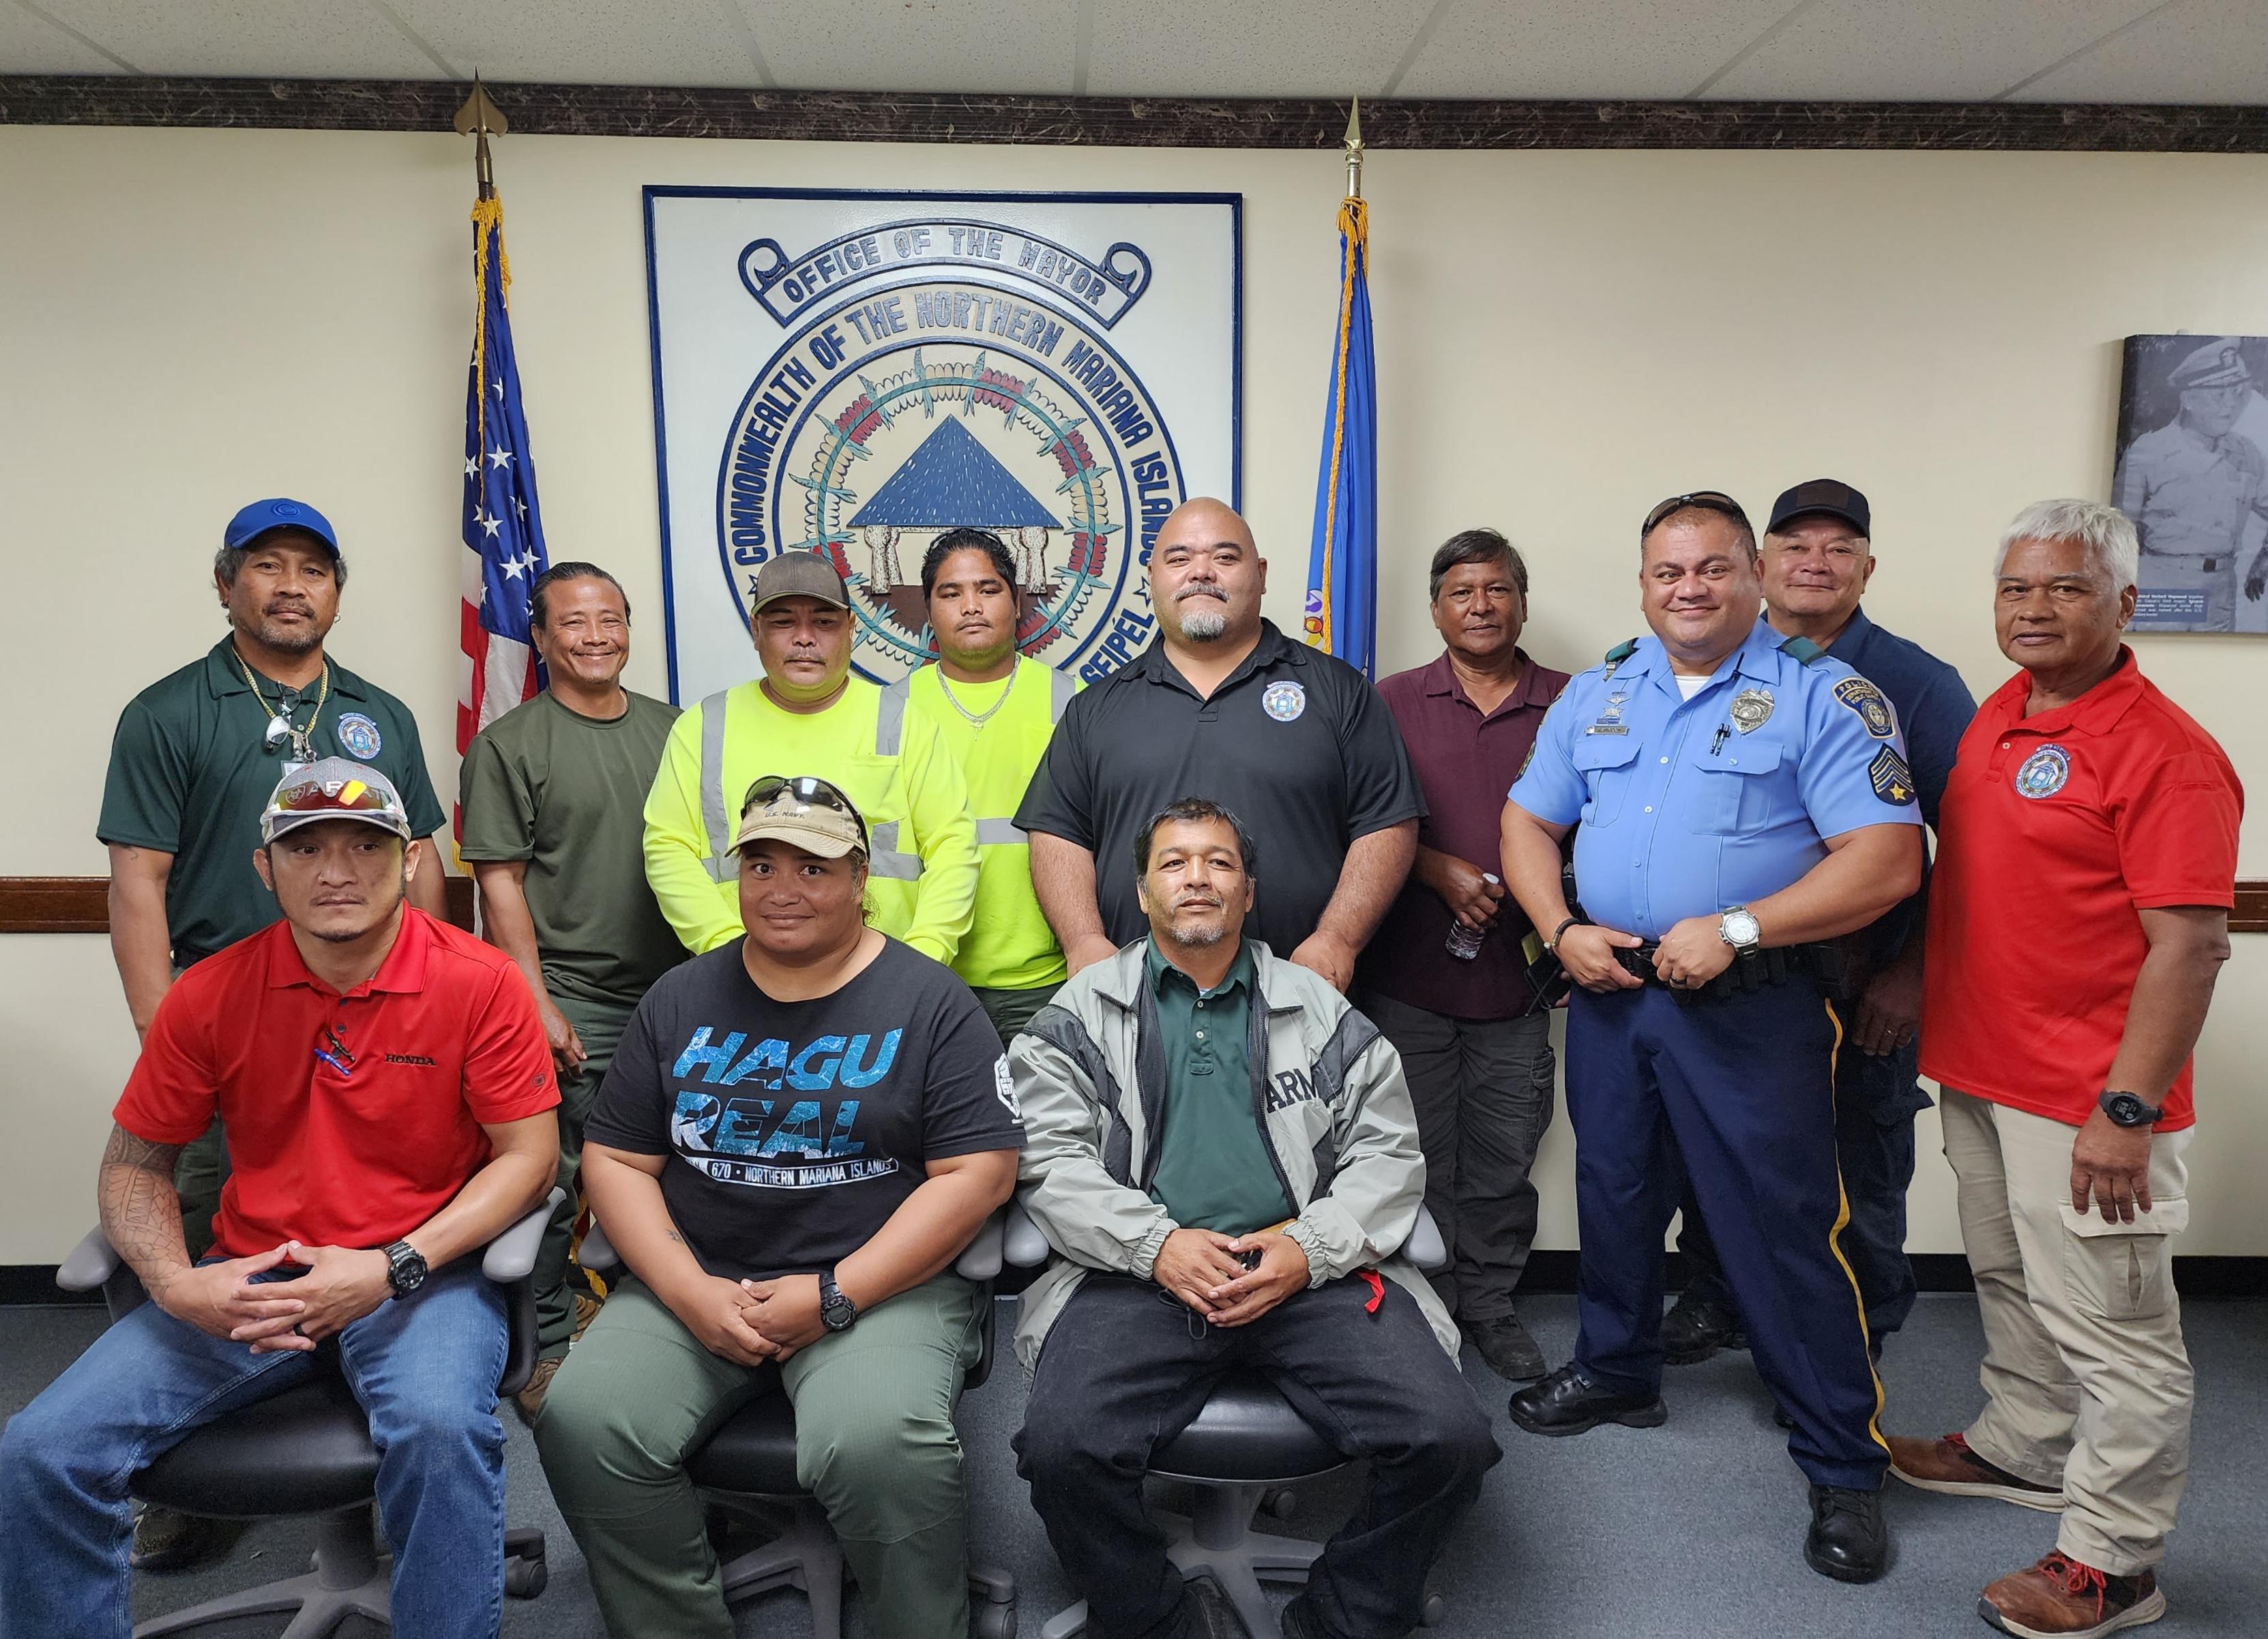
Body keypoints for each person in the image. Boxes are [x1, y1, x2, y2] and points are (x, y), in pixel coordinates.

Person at [0, 761, 560, 1639]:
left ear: (411, 860)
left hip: (421, 1273)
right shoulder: (211, 992)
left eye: (364, 845)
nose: (336, 869)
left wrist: (392, 1264)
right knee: (42, 1450)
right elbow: (133, 1166)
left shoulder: (479, 981)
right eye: (306, 847)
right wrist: (178, 1283)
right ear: (266, 869)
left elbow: (529, 1158)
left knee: (442, 1433)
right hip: (255, 1277)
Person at [1499, 490, 1926, 1584]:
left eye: (1710, 569)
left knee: (1781, 1219)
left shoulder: (1825, 696)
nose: (1686, 589)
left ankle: (1840, 1456)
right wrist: (1558, 928)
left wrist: (1739, 926)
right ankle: (1616, 1368)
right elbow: (1527, 820)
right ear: (1642, 583)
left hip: (1752, 1002)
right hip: (1610, 989)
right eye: (1665, 572)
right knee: (1616, 1189)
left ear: (1752, 575)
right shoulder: (1600, 690)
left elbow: (1884, 859)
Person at [536, 775, 1023, 1639]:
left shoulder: (930, 1003)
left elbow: (976, 1175)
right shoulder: (680, 998)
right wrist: (689, 1292)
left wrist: (835, 1291)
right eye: (760, 866)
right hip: (698, 1281)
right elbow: (614, 1159)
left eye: (813, 866)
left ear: (860, 876)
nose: (783, 889)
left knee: (876, 1441)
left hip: (881, 1290)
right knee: (585, 1421)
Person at [1012, 798, 1500, 1639]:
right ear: (1140, 893)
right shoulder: (1077, 1015)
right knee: (1060, 1450)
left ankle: (1344, 1616)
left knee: (1448, 1440)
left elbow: (1389, 1158)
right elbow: (1047, 1163)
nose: (1196, 877)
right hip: (1135, 1273)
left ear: (1247, 894)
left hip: (1309, 1270)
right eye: (1173, 862)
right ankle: (1155, 1618)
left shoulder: (1324, 1011)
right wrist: (1156, 1244)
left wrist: (1305, 1251)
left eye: (1218, 862)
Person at [1890, 499, 2239, 1639]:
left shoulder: (2168, 753)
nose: (2034, 608)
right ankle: (2023, 1444)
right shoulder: (2003, 712)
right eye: (2017, 588)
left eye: (2067, 587)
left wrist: (2126, 1109)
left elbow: (2191, 942)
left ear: (2126, 603)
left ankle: (2116, 1560)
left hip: (2089, 1099)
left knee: (2120, 1331)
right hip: (1986, 1074)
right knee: (2009, 1278)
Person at [95, 497, 451, 1568]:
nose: (293, 585)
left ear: (338, 591)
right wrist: (167, 1035)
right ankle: (198, 1493)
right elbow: (136, 885)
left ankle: (390, 1470)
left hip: (379, 1022)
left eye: (314, 569)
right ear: (225, 584)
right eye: (268, 566)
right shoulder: (169, 711)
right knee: (219, 1242)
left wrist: (438, 991)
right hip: (231, 1029)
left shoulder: (379, 711)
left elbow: (422, 860)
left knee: (387, 1230)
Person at [1663, 480, 1977, 1368]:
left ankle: (1854, 1333)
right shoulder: (1708, 666)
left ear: (1867, 568)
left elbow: (1970, 848)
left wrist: (1911, 971)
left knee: (1854, 1165)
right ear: (1760, 564)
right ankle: (1718, 1292)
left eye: (1839, 547)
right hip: (1735, 977)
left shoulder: (1917, 684)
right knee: (1721, 1147)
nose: (1815, 561)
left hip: (1858, 979)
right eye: (1795, 543)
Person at [1016, 497, 1424, 991]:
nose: (1201, 572)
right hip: (1132, 1000)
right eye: (1179, 558)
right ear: (1152, 576)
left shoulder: (1338, 693)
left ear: (1261, 573)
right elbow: (1059, 834)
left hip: (1301, 995)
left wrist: (1338, 938)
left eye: (1225, 558)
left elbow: (1387, 824)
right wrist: (1082, 939)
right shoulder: (1095, 708)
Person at [459, 561, 685, 1420]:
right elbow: (500, 882)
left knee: (682, 1171)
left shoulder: (678, 730)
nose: (595, 637)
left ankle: (663, 1327)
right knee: (556, 1183)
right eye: (574, 623)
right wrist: (534, 997)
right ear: (543, 639)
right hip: (571, 993)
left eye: (609, 620)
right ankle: (547, 1343)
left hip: (677, 992)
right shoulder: (510, 744)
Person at [1353, 528, 1570, 1383]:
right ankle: (1419, 1303)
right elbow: (1351, 824)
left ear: (1521, 599)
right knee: (1411, 1152)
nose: (1480, 606)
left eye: (1497, 590)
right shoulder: (1388, 702)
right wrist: (1435, 868)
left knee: (1504, 1153)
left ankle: (1487, 1302)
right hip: (1408, 979)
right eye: (1461, 592)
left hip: (1520, 983)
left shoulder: (1575, 699)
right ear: (1435, 607)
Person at [643, 550, 979, 964]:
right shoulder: (704, 725)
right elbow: (667, 848)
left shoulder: (902, 722)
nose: (804, 638)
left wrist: (920, 962)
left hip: (879, 976)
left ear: (852, 629)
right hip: (743, 981)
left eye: (824, 622)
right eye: (783, 622)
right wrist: (727, 953)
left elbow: (953, 849)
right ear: (756, 630)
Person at [888, 529, 1079, 1047]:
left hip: (1046, 980)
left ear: (1017, 602)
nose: (970, 606)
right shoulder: (889, 711)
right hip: (924, 975)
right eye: (950, 593)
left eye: (988, 589)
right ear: (928, 610)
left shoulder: (1072, 702)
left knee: (1048, 1128)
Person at [2112, 338, 2268, 630]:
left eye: (2236, 394)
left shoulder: (2247, 455)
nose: (2230, 406)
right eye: (2218, 396)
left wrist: (2264, 559)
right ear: (2188, 399)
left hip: (2220, 588)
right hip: (2163, 584)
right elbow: (2118, 532)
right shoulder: (2149, 453)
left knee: (2213, 670)